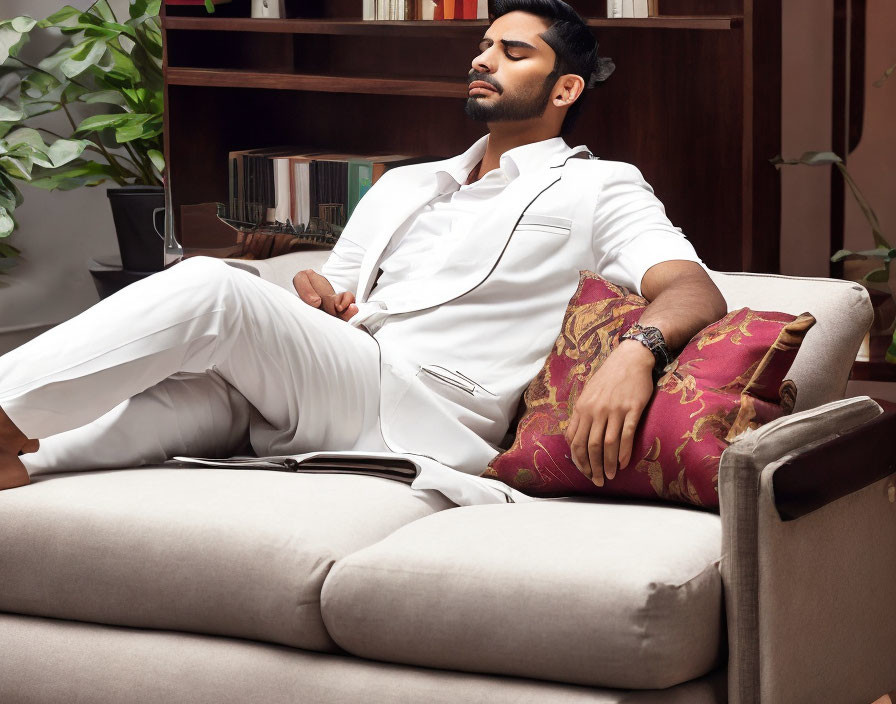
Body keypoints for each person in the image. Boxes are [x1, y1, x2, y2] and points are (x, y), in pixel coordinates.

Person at [0, 0, 727, 496]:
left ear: (566, 87)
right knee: (177, 402)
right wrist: (317, 297)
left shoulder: (599, 186)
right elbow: (330, 292)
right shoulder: (405, 185)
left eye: (511, 52)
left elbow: (695, 290)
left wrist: (637, 355)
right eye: (481, 47)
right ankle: (22, 460)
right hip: (341, 375)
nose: (484, 60)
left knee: (210, 286)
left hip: (426, 404)